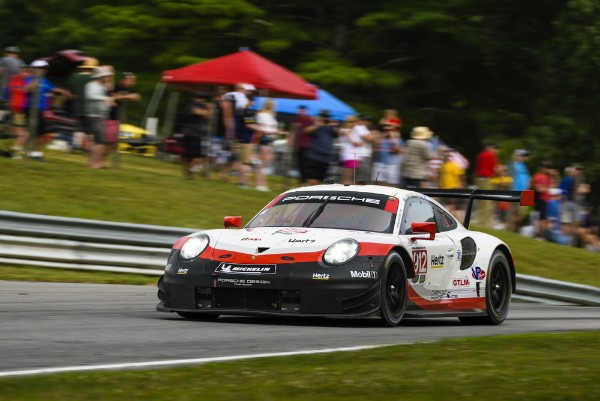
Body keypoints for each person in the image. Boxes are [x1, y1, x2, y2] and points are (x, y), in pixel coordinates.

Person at [24, 59, 69, 161]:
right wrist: (36, 79)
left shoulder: (45, 81)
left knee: (42, 132)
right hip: (30, 108)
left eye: (44, 69)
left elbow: (53, 89)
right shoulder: (29, 79)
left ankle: (34, 152)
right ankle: (32, 152)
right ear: (34, 69)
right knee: (33, 131)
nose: (43, 70)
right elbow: (28, 89)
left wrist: (63, 92)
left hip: (41, 109)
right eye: (40, 68)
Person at [84, 66, 115, 169]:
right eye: (106, 76)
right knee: (100, 141)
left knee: (100, 141)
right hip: (95, 115)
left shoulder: (101, 86)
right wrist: (105, 98)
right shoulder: (92, 85)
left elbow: (110, 88)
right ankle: (94, 163)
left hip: (101, 116)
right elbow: (90, 96)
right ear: (101, 76)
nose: (108, 77)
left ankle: (97, 163)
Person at [68, 57, 99, 151]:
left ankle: (76, 146)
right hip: (90, 106)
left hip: (77, 105)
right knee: (90, 128)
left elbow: (71, 91)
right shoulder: (94, 78)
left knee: (78, 127)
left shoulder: (74, 76)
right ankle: (88, 147)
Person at [180, 91, 211, 178]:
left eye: (202, 98)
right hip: (190, 133)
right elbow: (203, 113)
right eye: (200, 98)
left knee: (195, 155)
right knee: (190, 155)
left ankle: (189, 172)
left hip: (196, 134)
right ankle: (189, 172)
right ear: (194, 98)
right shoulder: (190, 106)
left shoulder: (198, 106)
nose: (201, 100)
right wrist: (208, 108)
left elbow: (208, 115)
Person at [303, 110, 338, 186]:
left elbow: (337, 134)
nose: (324, 118)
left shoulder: (331, 127)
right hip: (314, 156)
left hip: (326, 158)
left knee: (319, 182)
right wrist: (318, 124)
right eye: (322, 117)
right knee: (311, 180)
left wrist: (332, 125)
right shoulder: (315, 124)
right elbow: (306, 131)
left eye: (326, 117)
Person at [5, 63, 32, 159]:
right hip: (15, 109)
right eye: (22, 70)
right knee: (21, 133)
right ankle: (15, 151)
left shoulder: (30, 81)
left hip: (24, 110)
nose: (24, 73)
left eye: (26, 71)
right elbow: (8, 92)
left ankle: (15, 150)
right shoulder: (14, 79)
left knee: (22, 133)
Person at [473, 142, 499, 226]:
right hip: (487, 179)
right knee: (487, 201)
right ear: (490, 148)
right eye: (494, 148)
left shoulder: (480, 155)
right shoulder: (490, 155)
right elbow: (494, 168)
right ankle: (486, 222)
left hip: (479, 179)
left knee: (481, 201)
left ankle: (479, 220)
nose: (495, 150)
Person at [290, 105, 314, 183]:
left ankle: (305, 178)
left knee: (305, 162)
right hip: (298, 144)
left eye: (303, 110)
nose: (301, 112)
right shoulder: (296, 119)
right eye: (300, 110)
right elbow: (293, 130)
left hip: (306, 145)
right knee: (299, 162)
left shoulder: (309, 120)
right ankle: (302, 179)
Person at [338, 115, 362, 185]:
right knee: (347, 177)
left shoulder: (355, 131)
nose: (353, 123)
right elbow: (354, 143)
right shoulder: (343, 130)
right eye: (351, 122)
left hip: (355, 156)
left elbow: (360, 143)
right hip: (348, 156)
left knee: (351, 177)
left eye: (354, 122)